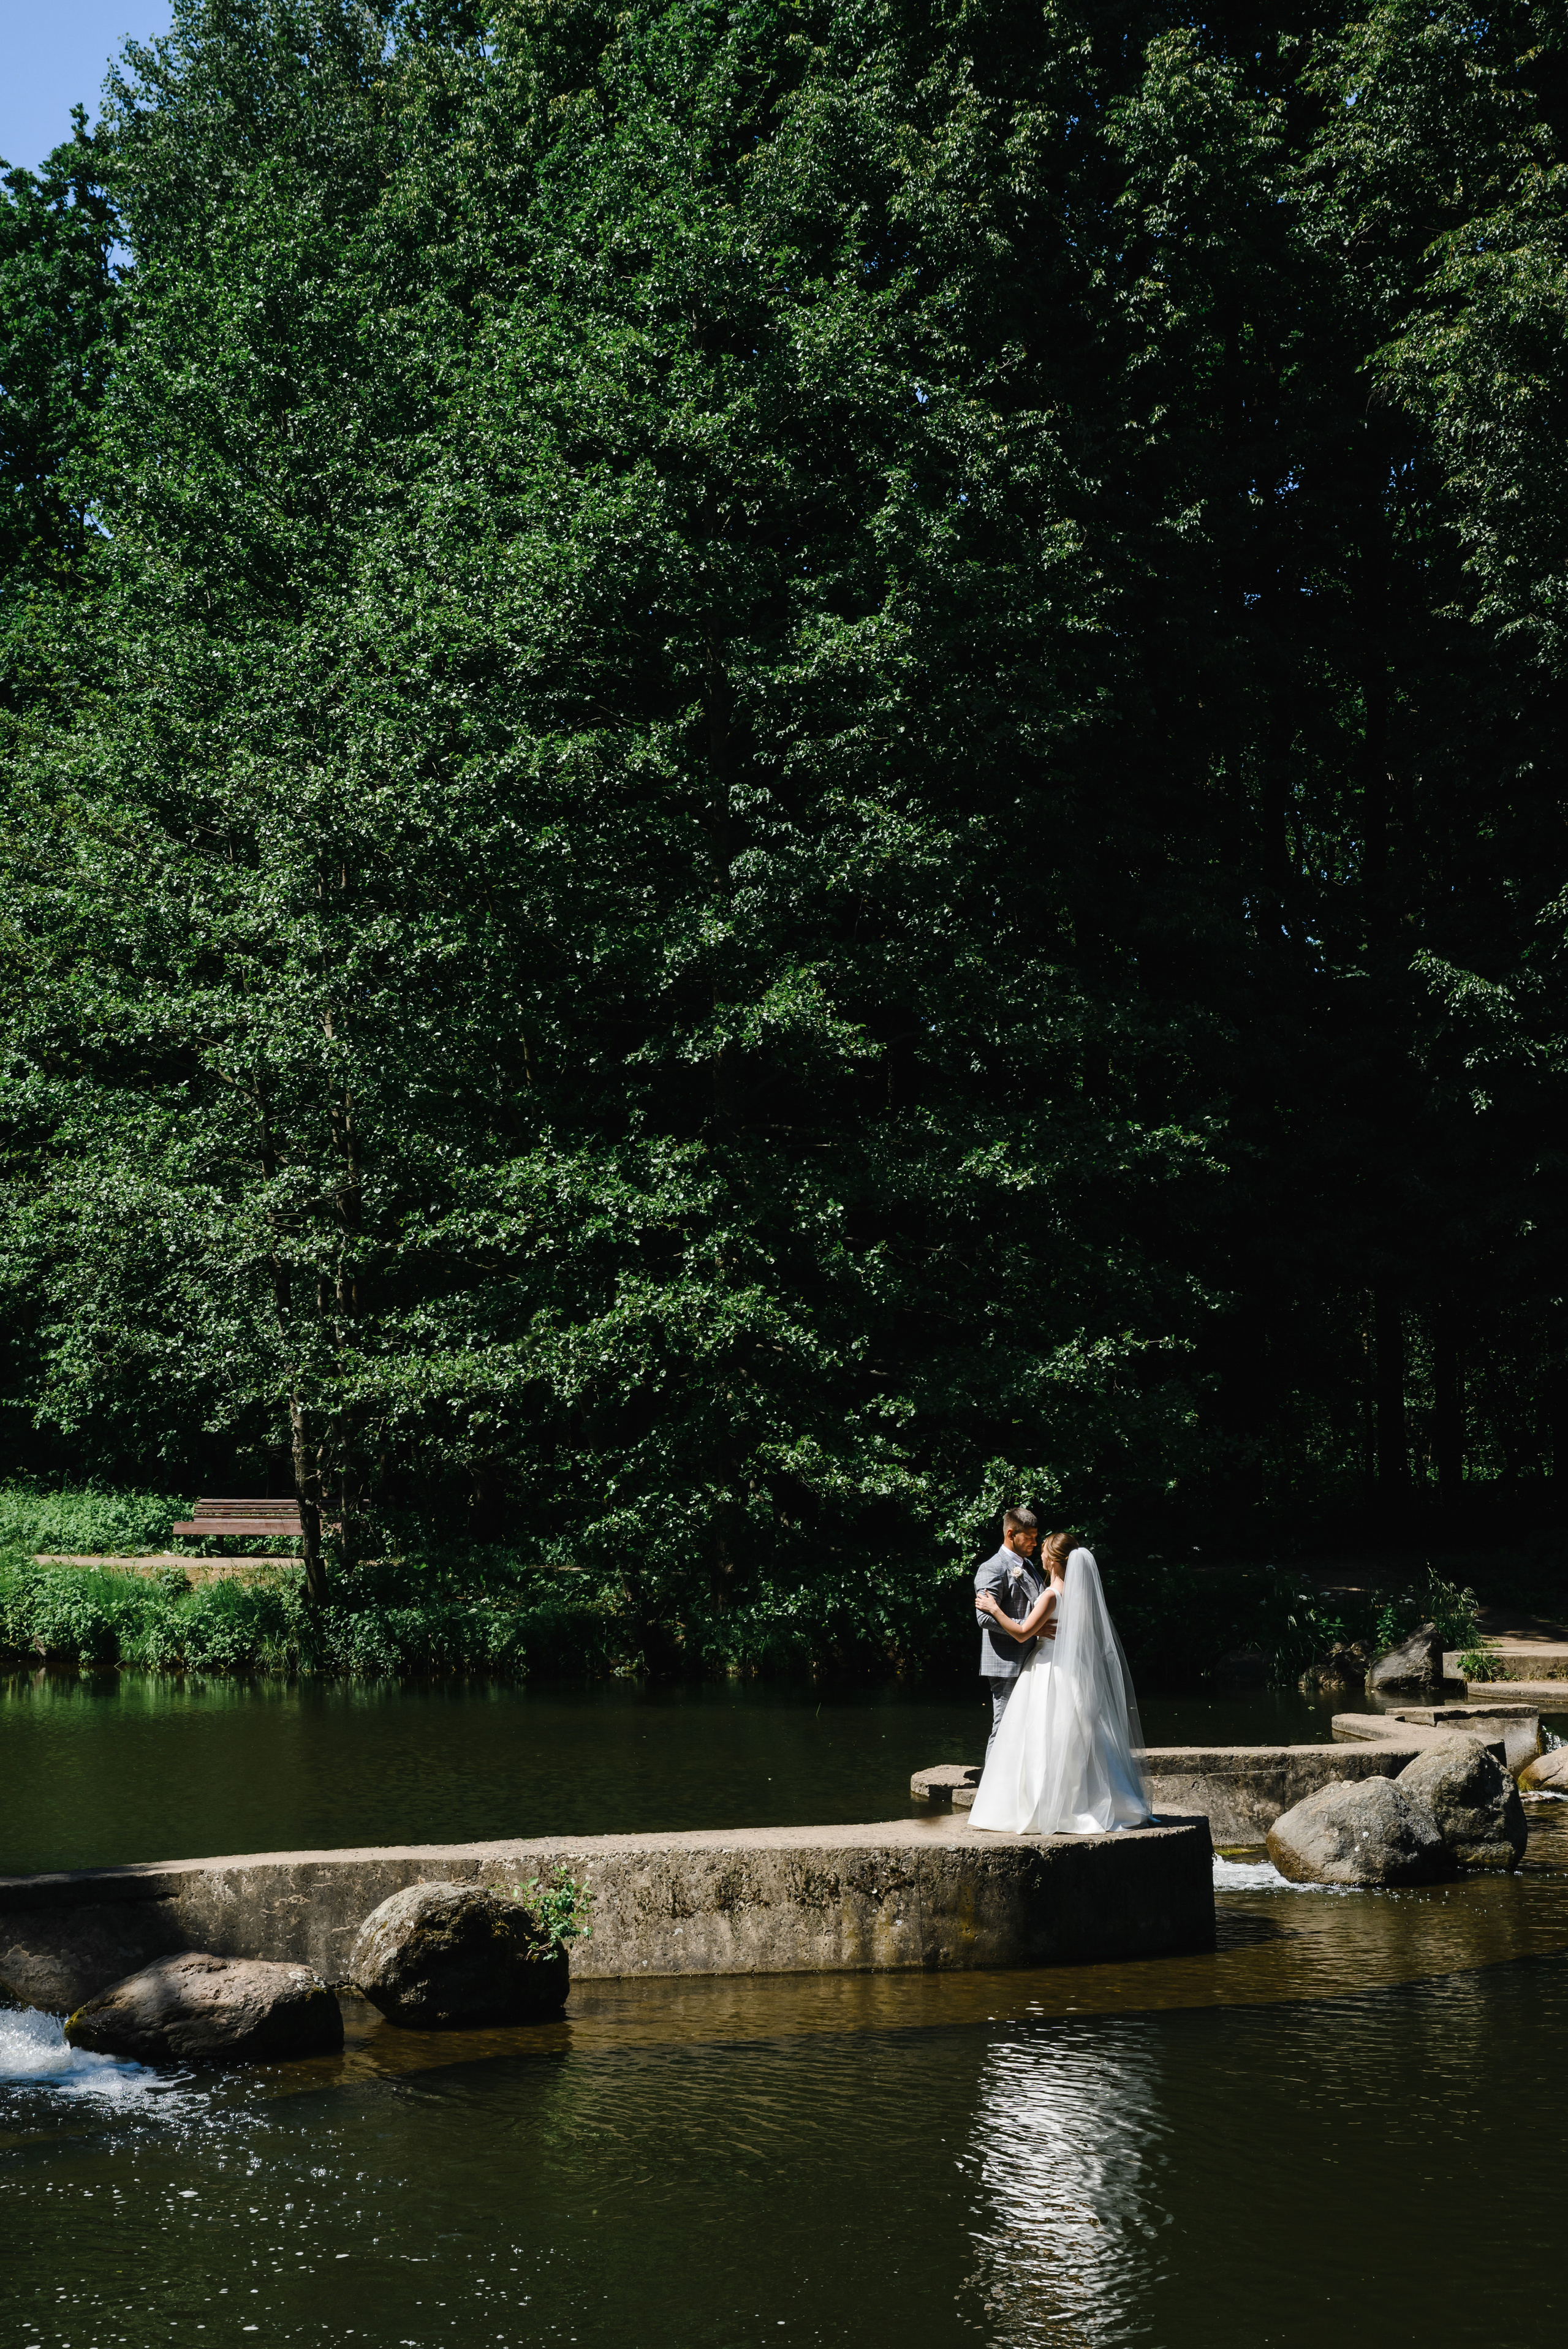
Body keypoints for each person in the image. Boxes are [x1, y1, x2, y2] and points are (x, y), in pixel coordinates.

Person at [968, 1532, 1151, 1835]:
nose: (1039, 1556)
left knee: (1042, 1734)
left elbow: (1024, 1632)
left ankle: (1047, 1807)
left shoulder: (1052, 1594)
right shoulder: (1079, 1595)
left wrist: (994, 1608)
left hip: (1048, 1667)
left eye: (1042, 1551)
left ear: (1052, 1559)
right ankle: (1089, 1800)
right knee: (1074, 1734)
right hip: (1072, 1670)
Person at [974, 1506, 1056, 1751]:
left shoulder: (1028, 1565)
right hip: (1006, 1662)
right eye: (1029, 1537)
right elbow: (984, 1618)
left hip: (1033, 1659)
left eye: (1035, 1536)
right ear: (1011, 1534)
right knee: (1004, 1727)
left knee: (1027, 1727)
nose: (1035, 1542)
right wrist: (1032, 1629)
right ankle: (989, 1788)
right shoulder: (992, 1568)